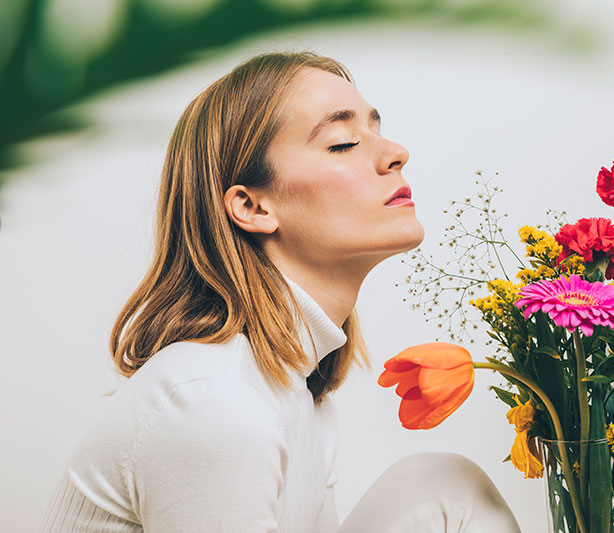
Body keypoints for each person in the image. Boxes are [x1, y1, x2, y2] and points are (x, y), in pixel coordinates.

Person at [40, 50, 521, 533]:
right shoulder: (214, 404)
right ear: (252, 207)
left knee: (444, 484)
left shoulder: (298, 393)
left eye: (376, 128)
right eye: (343, 142)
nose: (396, 151)